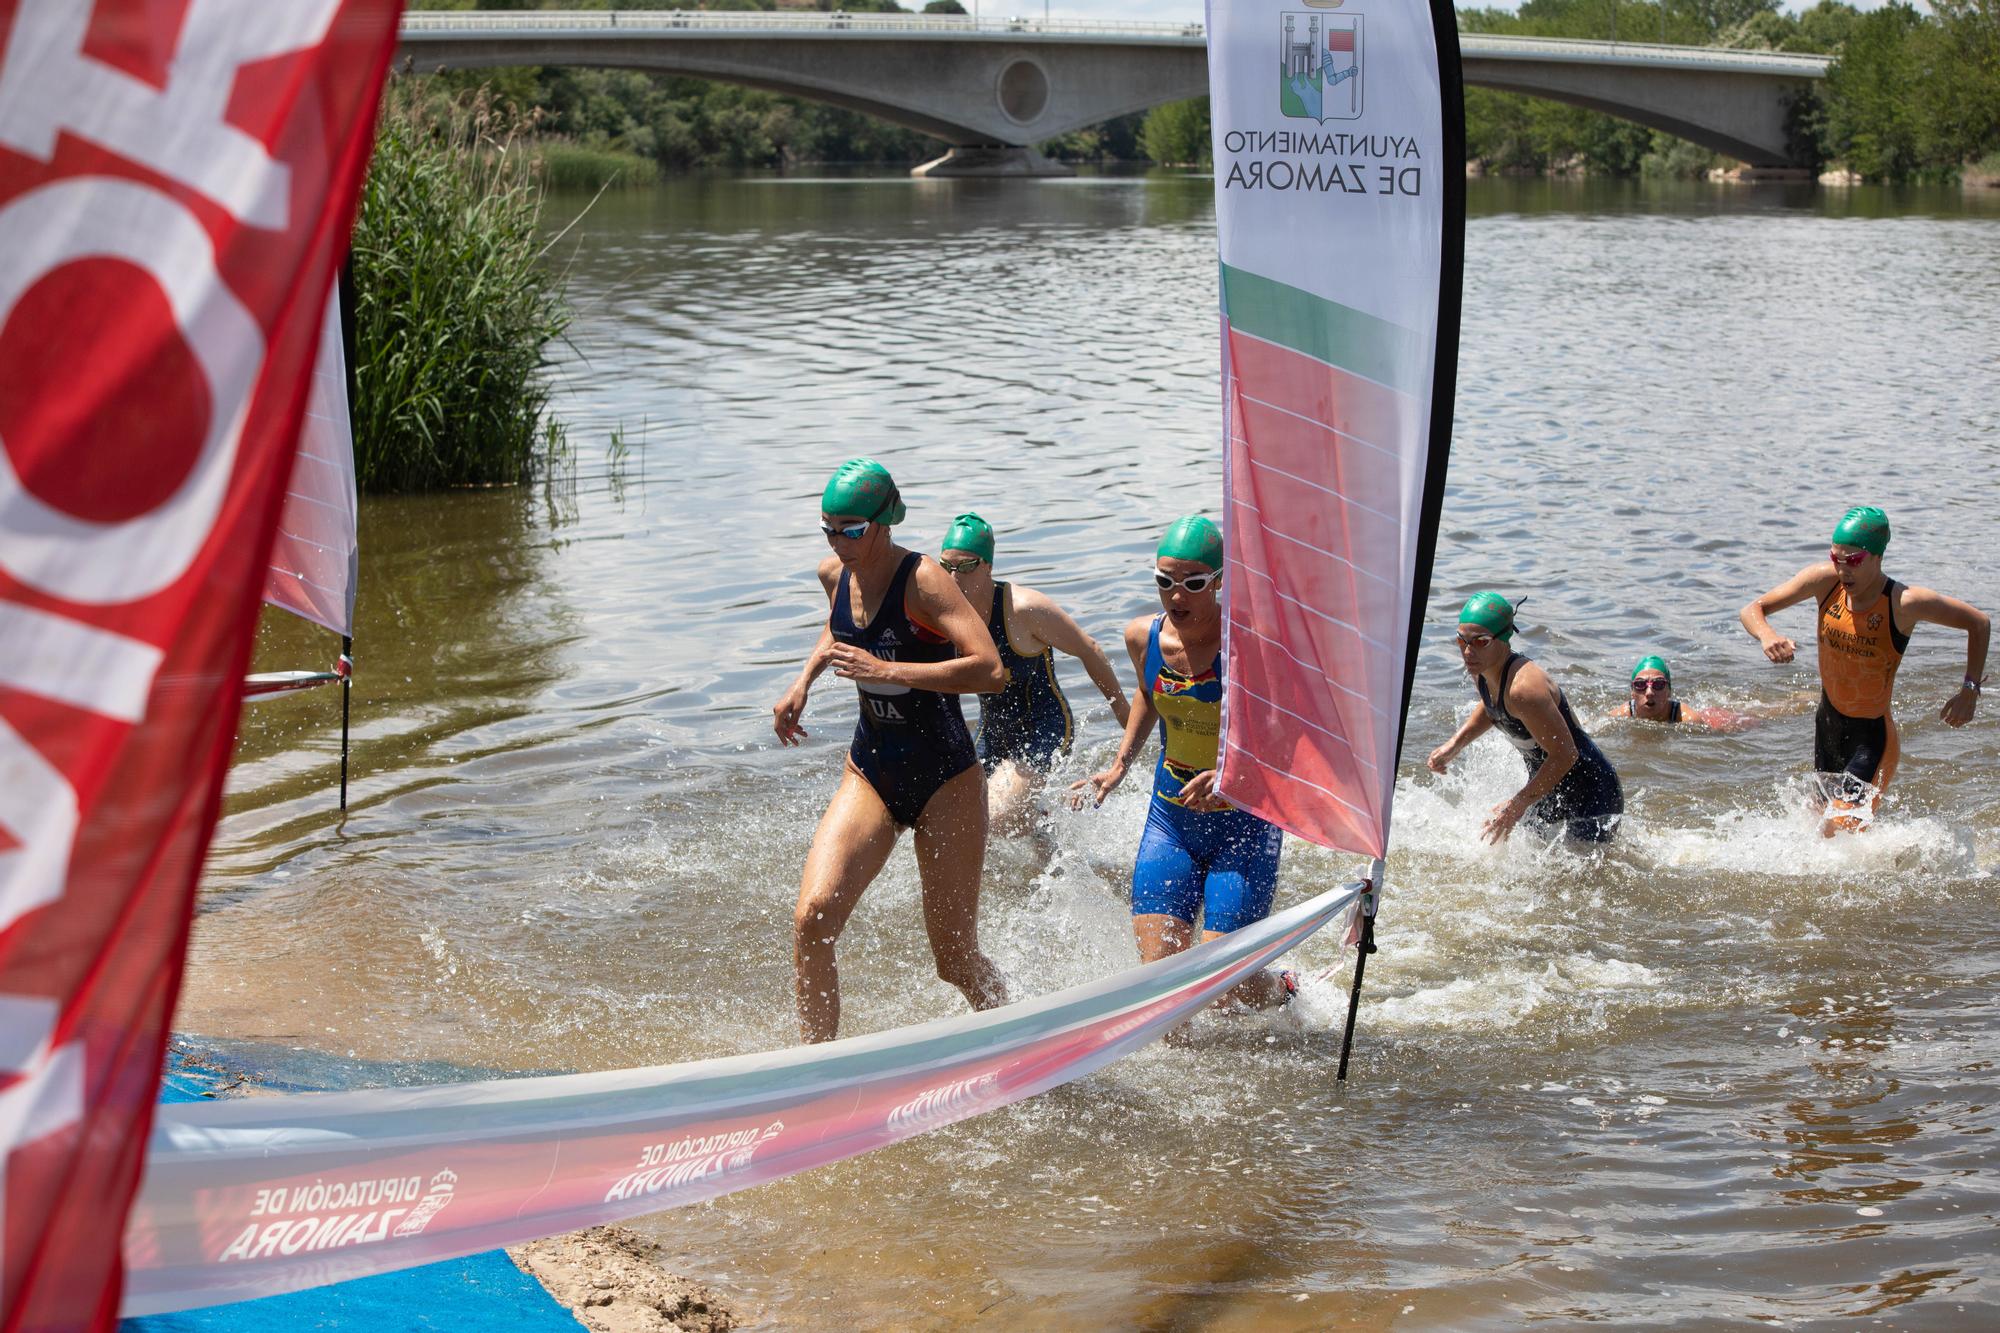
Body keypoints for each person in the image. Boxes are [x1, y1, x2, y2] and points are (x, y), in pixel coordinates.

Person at [771, 459, 1011, 1042]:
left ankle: (1018, 1035)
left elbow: (991, 669)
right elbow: (840, 626)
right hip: (872, 770)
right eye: (829, 528)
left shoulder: (924, 580)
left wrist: (887, 668)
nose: (839, 541)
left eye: (852, 529)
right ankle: (817, 1068)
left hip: (946, 780)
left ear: (885, 522)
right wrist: (803, 679)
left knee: (954, 962)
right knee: (813, 919)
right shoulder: (836, 572)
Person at [1071, 516, 1291, 1010]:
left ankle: (1282, 989)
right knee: (1163, 987)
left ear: (1218, 582)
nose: (1177, 596)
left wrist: (1233, 774)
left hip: (1245, 824)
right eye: (1165, 581)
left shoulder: (1248, 645)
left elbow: (1287, 736)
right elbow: (1149, 695)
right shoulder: (1142, 638)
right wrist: (1120, 764)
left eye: (1193, 584)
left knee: (1224, 987)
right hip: (1170, 818)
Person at [1739, 505, 1988, 832]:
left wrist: (1969, 690)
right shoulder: (1824, 583)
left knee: (1837, 832)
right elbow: (1752, 609)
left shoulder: (1903, 602)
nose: (1843, 570)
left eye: (1853, 560)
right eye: (1836, 558)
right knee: (1816, 829)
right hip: (1827, 724)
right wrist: (1767, 634)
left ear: (1877, 556)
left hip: (1872, 738)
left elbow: (1978, 623)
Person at [938, 512, 1131, 834]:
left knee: (992, 819)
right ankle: (1052, 847)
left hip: (1045, 726)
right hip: (993, 730)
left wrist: (1124, 713)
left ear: (987, 565)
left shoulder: (1023, 609)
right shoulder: (946, 614)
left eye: (967, 566)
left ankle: (1036, 825)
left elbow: (1090, 649)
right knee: (955, 814)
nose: (955, 578)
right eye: (947, 567)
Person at [1427, 592, 1624, 843]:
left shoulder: (1525, 689)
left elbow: (1566, 754)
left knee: (1583, 877)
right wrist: (1454, 745)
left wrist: (1516, 804)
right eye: (1461, 640)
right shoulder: (1483, 671)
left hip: (1592, 794)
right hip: (1547, 787)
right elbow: (1493, 707)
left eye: (1481, 641)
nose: (1468, 652)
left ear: (1505, 638)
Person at [1614, 655, 1758, 732]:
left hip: (1712, 718)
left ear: (1669, 691)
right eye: (1640, 685)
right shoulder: (1619, 716)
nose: (1650, 692)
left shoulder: (1689, 719)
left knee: (1751, 720)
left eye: (1659, 684)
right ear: (1632, 692)